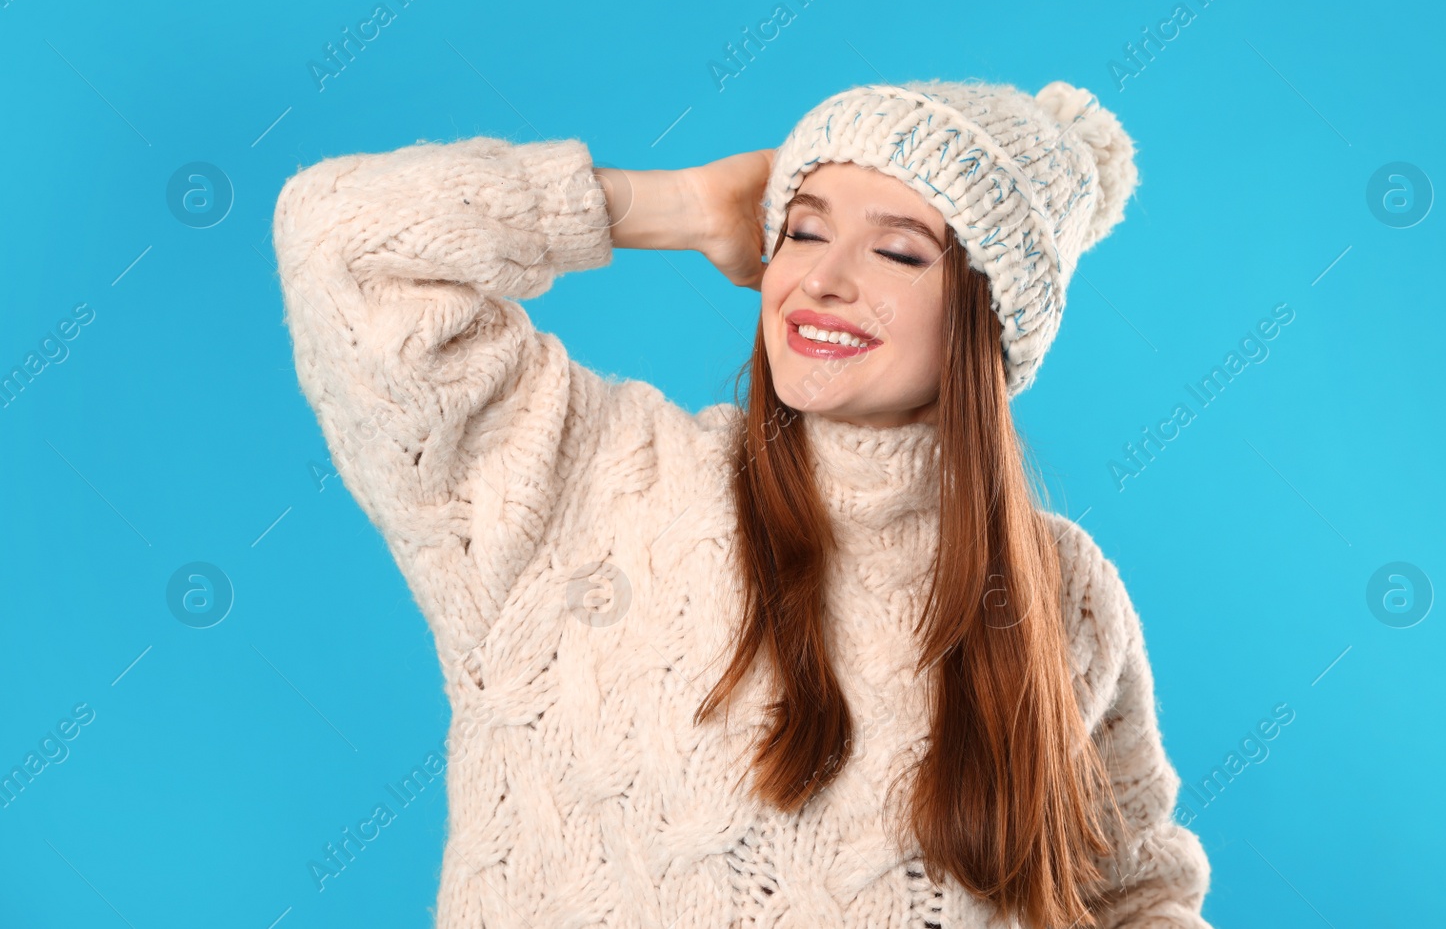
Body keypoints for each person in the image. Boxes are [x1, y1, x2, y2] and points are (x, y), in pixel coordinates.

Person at [272, 77, 1213, 928]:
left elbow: (1132, 895)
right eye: (801, 230)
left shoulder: (1059, 590)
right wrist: (675, 205)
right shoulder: (586, 479)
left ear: (991, 321)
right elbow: (338, 238)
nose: (822, 278)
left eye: (896, 250)